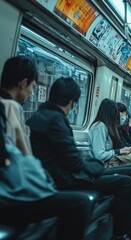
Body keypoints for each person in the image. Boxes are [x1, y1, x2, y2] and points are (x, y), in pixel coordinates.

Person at [26, 77, 131, 238]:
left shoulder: (40, 116)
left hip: (65, 173)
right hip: (68, 177)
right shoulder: (56, 120)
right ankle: (123, 232)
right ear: (72, 102)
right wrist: (95, 168)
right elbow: (74, 162)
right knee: (126, 182)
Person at [0, 56, 91, 240]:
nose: (31, 93)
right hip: (9, 194)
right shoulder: (10, 107)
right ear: (23, 82)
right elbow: (22, 152)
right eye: (32, 86)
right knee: (79, 202)